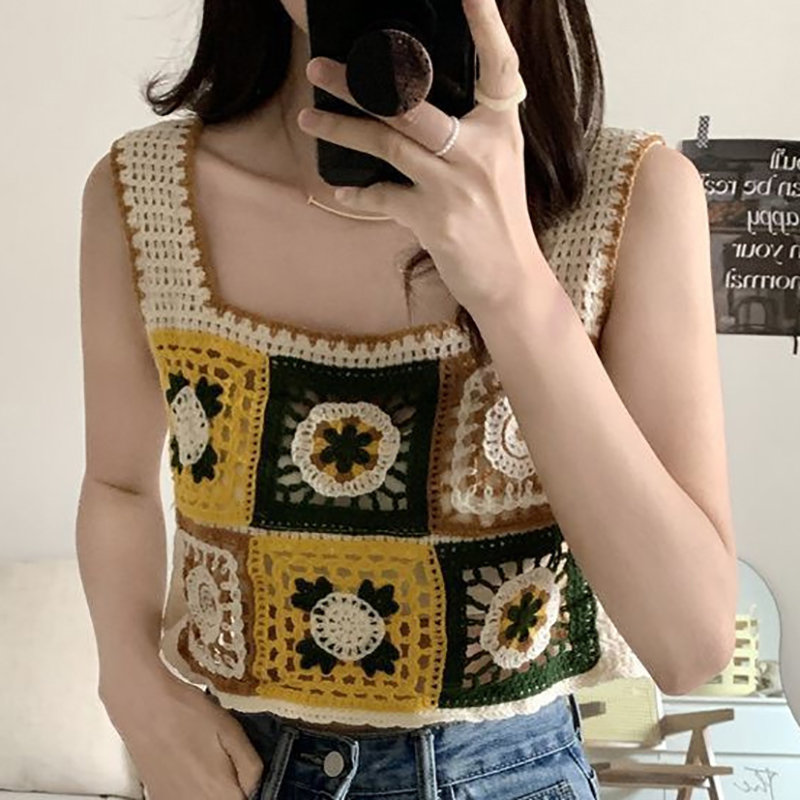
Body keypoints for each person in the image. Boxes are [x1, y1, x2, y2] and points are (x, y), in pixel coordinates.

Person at [76, 0, 738, 798]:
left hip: (512, 773)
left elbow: (688, 646)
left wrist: (512, 286)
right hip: (234, 770)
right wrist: (131, 682)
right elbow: (116, 485)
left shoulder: (630, 196)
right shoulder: (142, 193)